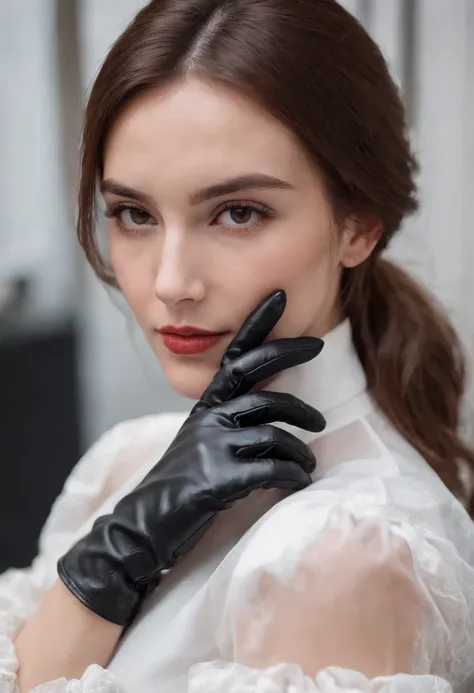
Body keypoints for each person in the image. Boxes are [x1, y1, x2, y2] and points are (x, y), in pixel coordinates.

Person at [2, 0, 474, 690]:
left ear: (359, 225)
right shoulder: (127, 468)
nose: (172, 283)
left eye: (238, 212)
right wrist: (121, 547)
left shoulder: (339, 552)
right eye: (134, 214)